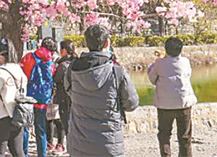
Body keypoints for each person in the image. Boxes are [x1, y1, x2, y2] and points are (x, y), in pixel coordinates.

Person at [65, 24, 139, 157]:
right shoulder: (117, 71)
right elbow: (132, 103)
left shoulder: (73, 68)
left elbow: (69, 91)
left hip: (79, 142)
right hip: (108, 143)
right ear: (107, 43)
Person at [147, 37, 197, 157]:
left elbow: (152, 78)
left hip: (164, 105)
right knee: (184, 136)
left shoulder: (159, 63)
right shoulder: (185, 62)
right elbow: (188, 75)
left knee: (164, 135)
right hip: (183, 103)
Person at [20, 37, 56, 157]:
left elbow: (23, 74)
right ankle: (42, 154)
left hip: (28, 99)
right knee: (41, 129)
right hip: (42, 100)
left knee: (26, 128)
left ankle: (24, 154)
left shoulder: (29, 57)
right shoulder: (50, 62)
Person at [48, 39, 76, 155]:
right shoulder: (75, 62)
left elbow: (56, 79)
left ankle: (65, 146)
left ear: (64, 50)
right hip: (74, 98)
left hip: (63, 98)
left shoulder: (62, 65)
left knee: (65, 122)